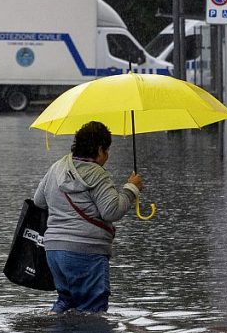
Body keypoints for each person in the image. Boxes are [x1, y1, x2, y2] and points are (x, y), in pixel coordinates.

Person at [32, 121, 144, 314]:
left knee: (65, 302)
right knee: (93, 311)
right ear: (100, 149)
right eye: (107, 150)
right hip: (86, 252)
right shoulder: (98, 174)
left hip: (54, 251)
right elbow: (112, 211)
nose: (107, 156)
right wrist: (131, 189)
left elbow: (38, 201)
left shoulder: (57, 168)